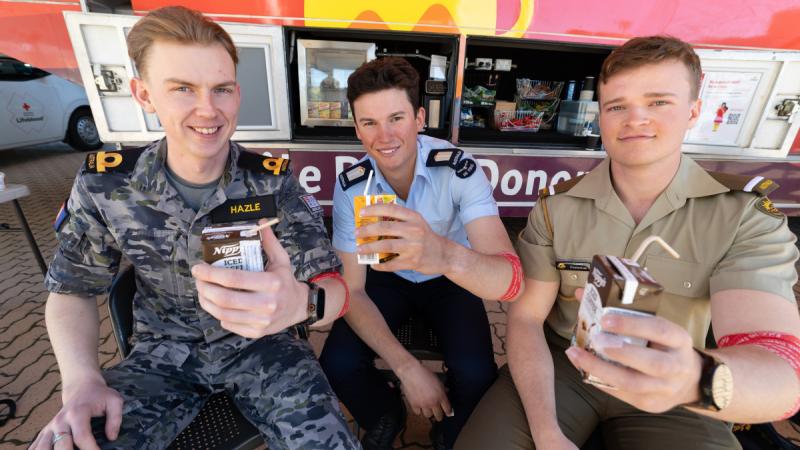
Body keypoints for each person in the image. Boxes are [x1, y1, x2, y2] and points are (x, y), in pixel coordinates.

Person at [30, 6, 359, 450]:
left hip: (266, 350)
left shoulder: (272, 179)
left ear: (237, 94)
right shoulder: (106, 184)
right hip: (161, 358)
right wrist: (81, 380)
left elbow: (334, 289)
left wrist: (303, 303)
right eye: (183, 88)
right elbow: (72, 290)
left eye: (221, 89)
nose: (209, 110)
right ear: (143, 94)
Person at [456, 35, 800, 450]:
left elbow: (778, 367)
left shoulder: (742, 216)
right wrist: (546, 431)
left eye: (658, 102)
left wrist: (696, 379)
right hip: (566, 366)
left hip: (673, 376)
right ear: (600, 117)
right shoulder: (557, 208)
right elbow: (527, 319)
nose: (635, 119)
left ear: (693, 111)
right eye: (617, 106)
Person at [318, 57, 524, 450]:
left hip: (449, 277)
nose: (384, 136)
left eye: (396, 118)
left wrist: (441, 255)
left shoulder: (457, 169)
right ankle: (385, 412)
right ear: (357, 129)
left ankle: (450, 430)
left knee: (477, 372)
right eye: (369, 123)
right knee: (336, 364)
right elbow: (353, 290)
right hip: (385, 277)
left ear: (419, 117)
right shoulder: (351, 186)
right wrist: (408, 368)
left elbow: (509, 281)